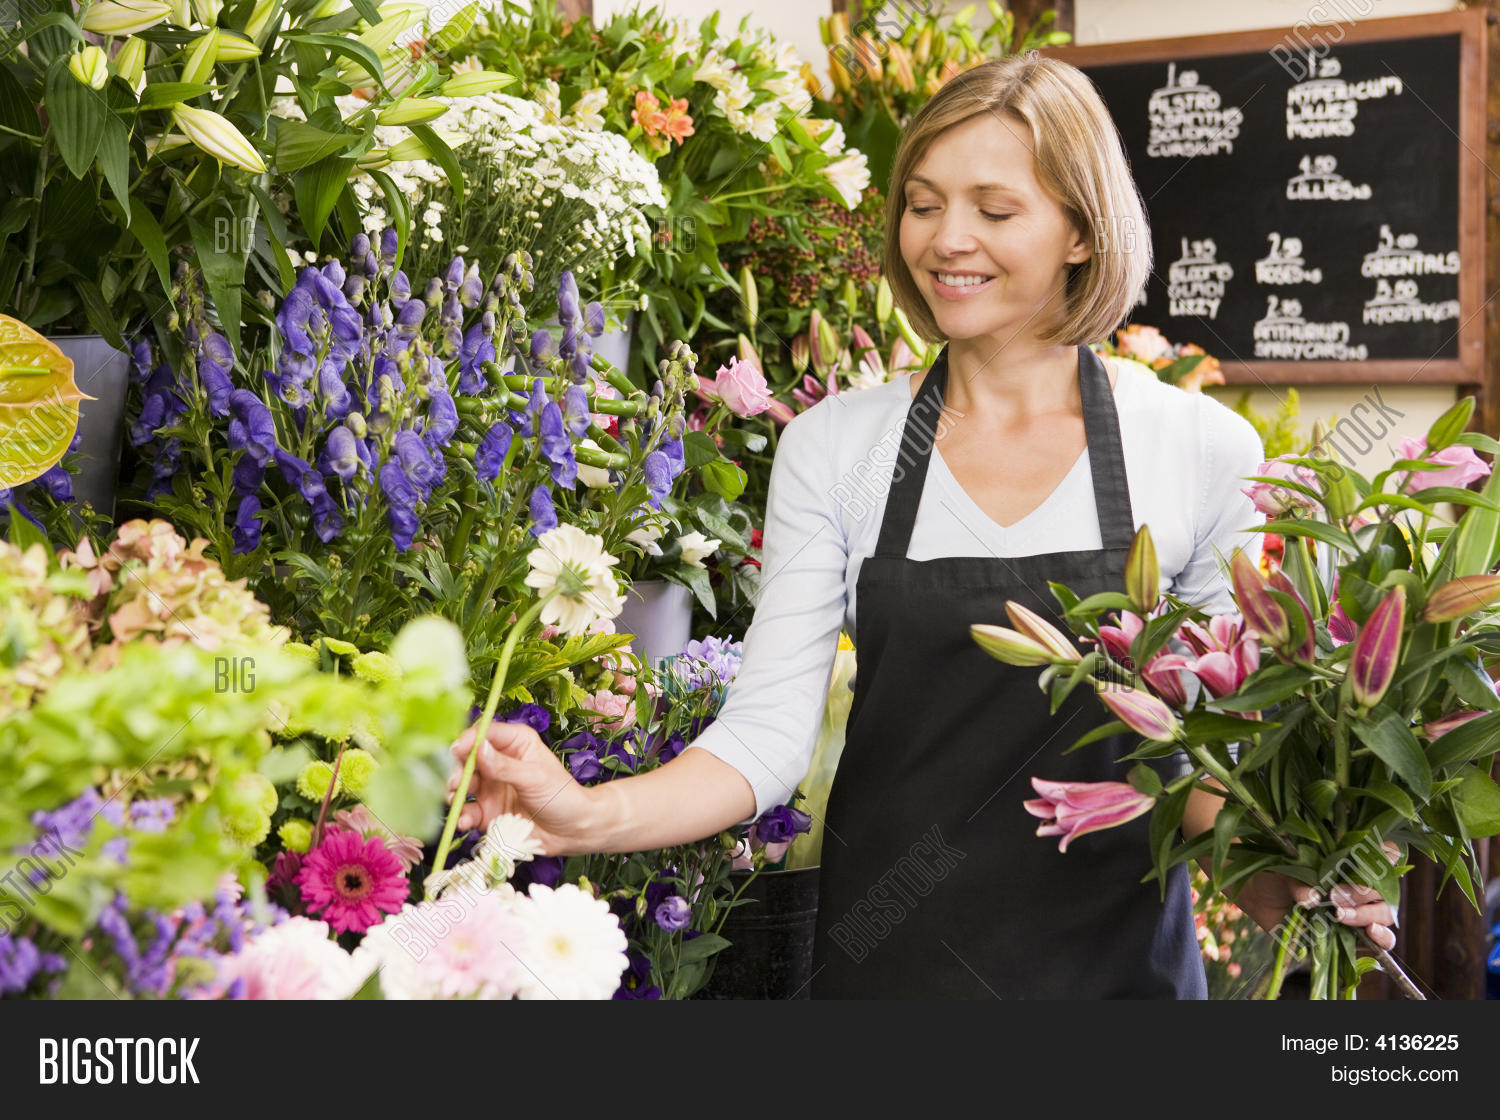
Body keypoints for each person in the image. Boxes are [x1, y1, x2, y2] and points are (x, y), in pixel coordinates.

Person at [448, 54, 1397, 998]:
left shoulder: (1198, 448)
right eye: (924, 203)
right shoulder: (834, 449)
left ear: (1080, 230)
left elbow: (1199, 752)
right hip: (893, 971)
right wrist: (579, 813)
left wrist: (1289, 878)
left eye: (994, 209)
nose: (947, 240)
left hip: (1124, 979)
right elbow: (766, 738)